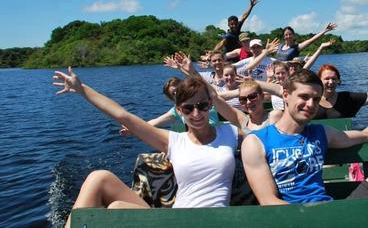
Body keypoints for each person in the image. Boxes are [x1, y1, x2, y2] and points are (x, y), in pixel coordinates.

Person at [240, 69, 368, 228]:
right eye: (304, 97)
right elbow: (268, 201)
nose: (310, 104)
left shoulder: (321, 133)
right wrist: (325, 218)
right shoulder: (257, 142)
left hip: (338, 213)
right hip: (298, 220)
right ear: (286, 95)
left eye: (315, 99)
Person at [52, 67, 248, 228]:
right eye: (188, 108)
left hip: (215, 221)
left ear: (210, 105)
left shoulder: (230, 133)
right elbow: (123, 116)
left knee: (116, 208)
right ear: (179, 111)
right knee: (100, 180)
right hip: (176, 221)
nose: (196, 113)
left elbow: (263, 135)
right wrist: (82, 89)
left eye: (202, 106)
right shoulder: (173, 141)